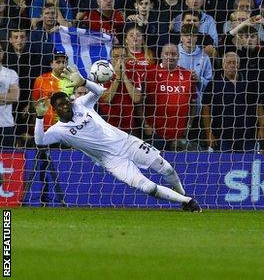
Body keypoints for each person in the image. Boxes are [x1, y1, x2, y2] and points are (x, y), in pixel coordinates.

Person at [33, 65, 202, 212]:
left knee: (166, 169)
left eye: (66, 103)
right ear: (55, 110)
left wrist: (83, 81)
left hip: (126, 142)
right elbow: (40, 141)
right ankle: (188, 201)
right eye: (61, 106)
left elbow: (99, 91)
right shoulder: (58, 130)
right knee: (148, 187)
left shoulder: (80, 104)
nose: (65, 106)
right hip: (112, 161)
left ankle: (183, 195)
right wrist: (39, 118)